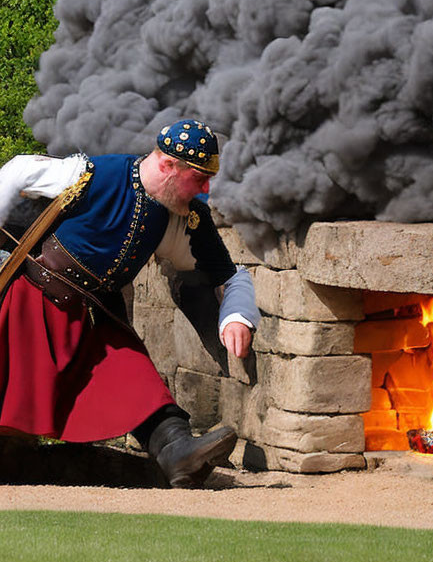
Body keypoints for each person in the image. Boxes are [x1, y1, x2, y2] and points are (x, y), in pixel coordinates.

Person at [0, 119, 259, 487]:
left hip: (96, 316)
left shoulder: (183, 217)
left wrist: (236, 316)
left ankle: (178, 453)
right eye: (199, 178)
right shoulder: (91, 174)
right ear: (168, 165)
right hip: (32, 298)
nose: (205, 188)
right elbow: (20, 170)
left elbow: (230, 275)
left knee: (135, 379)